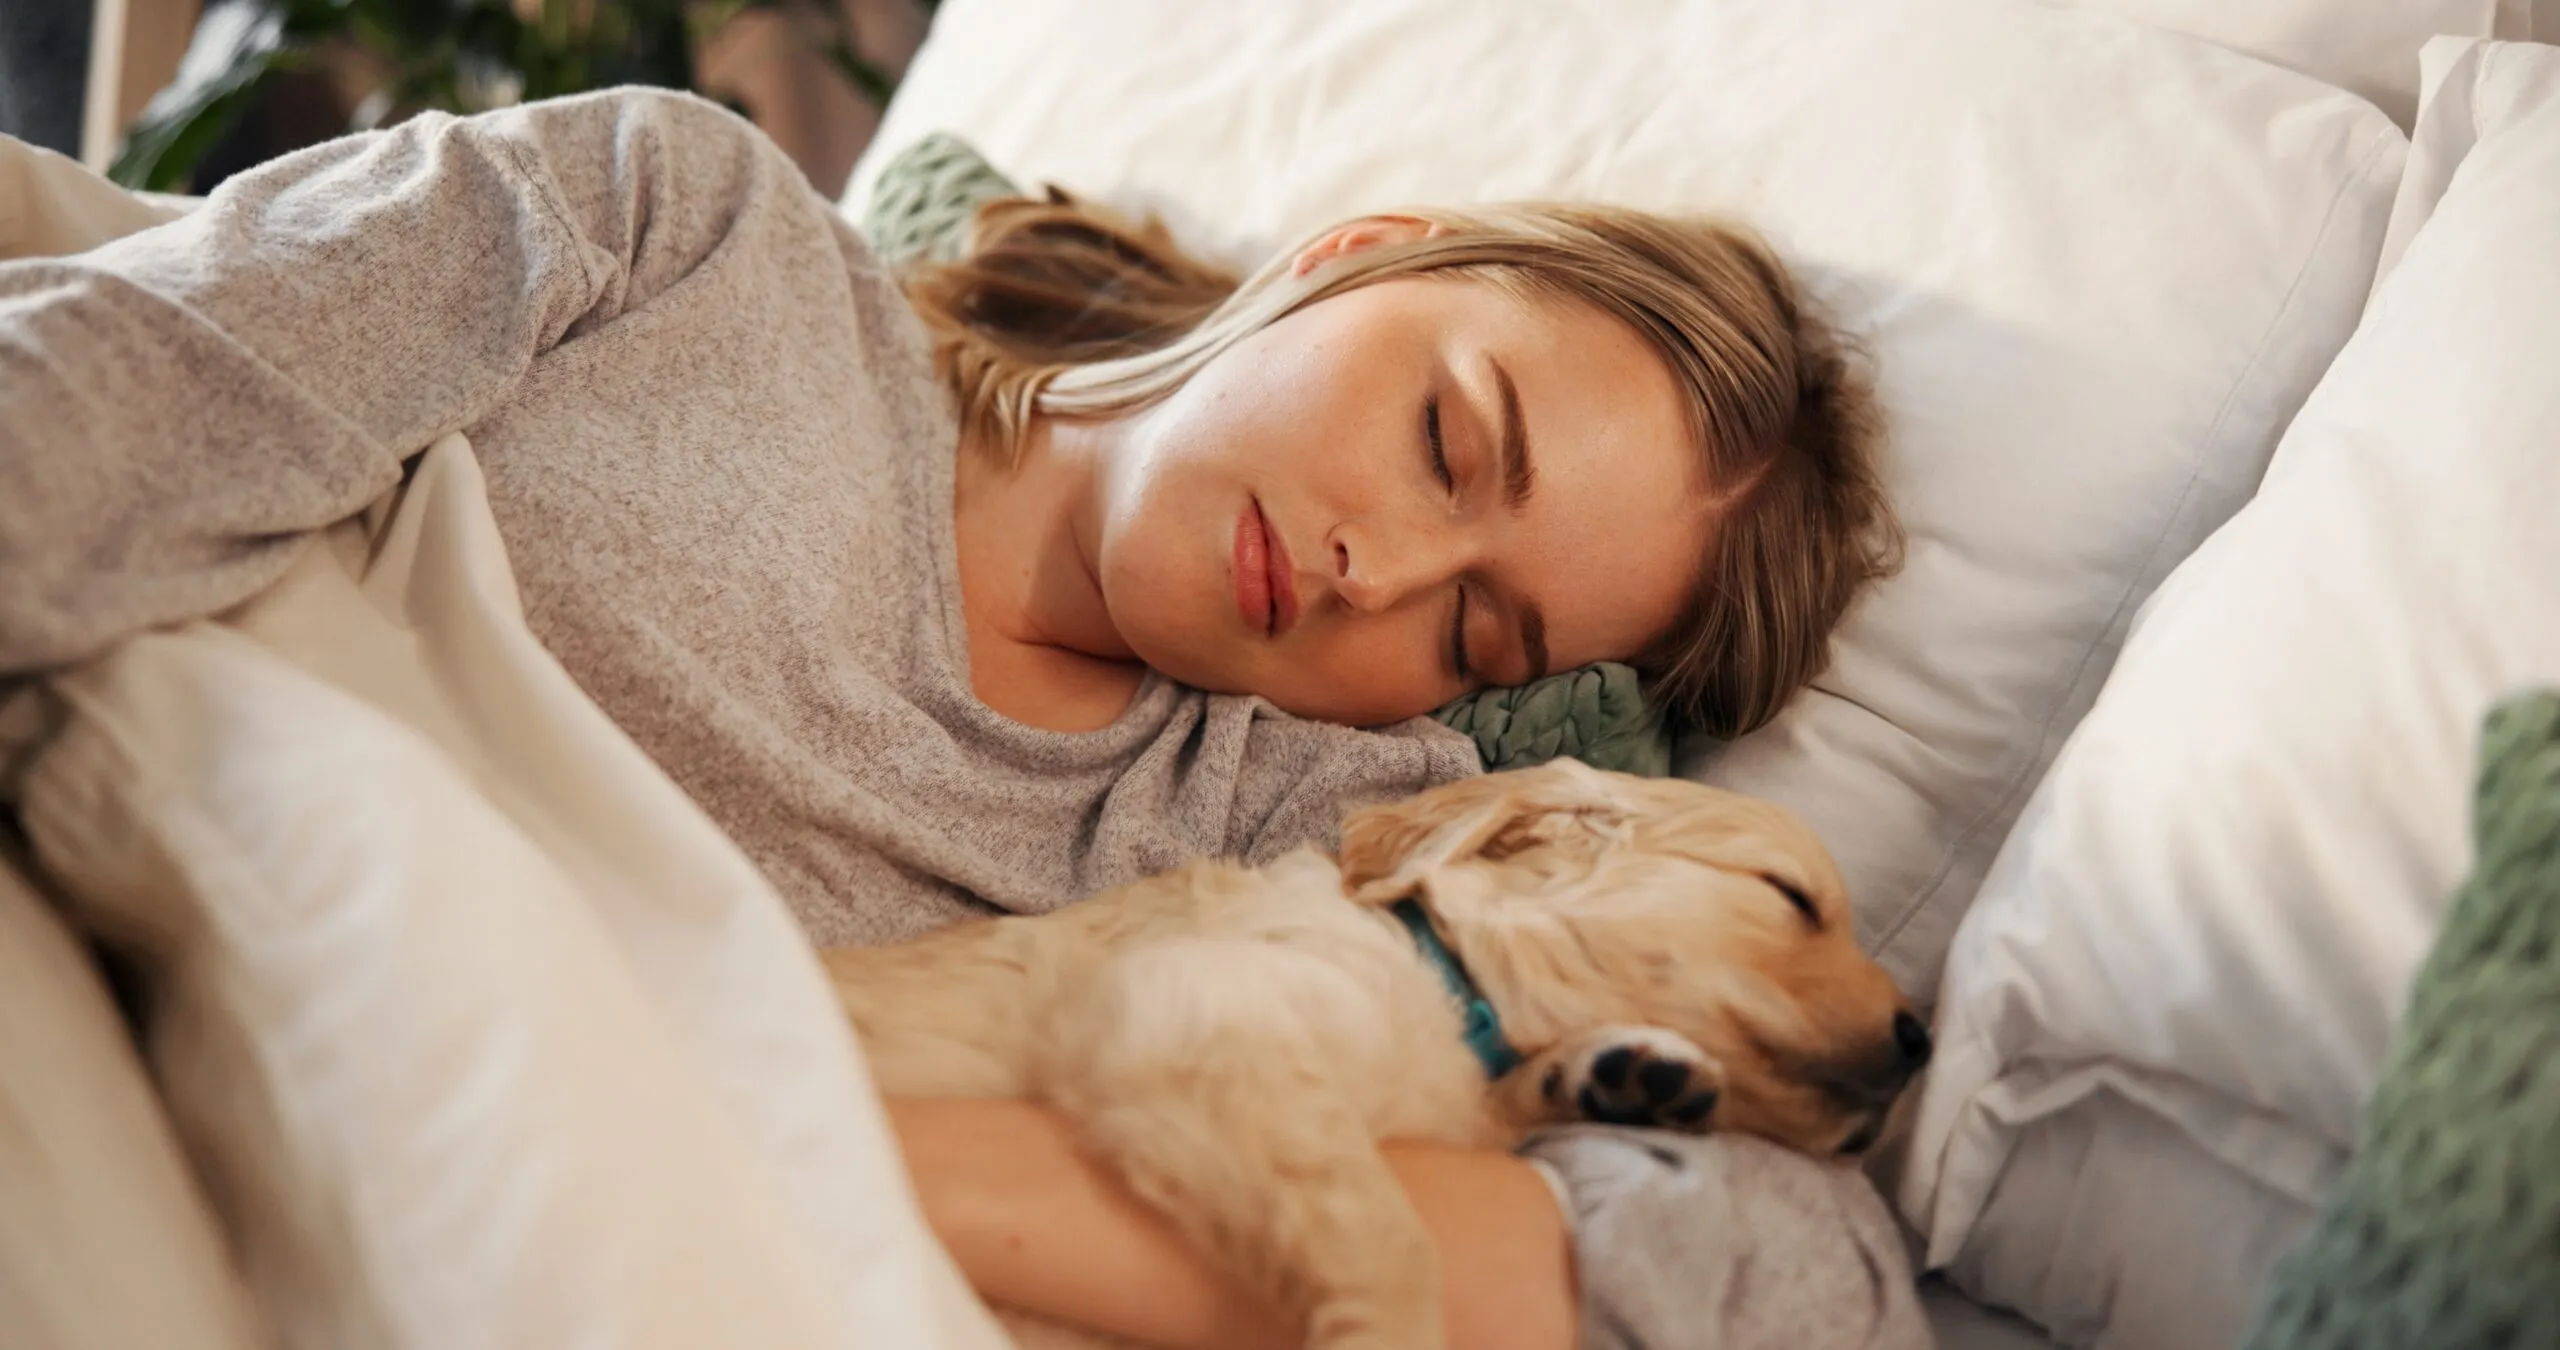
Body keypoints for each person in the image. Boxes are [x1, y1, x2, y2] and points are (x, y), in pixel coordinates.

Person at [0, 89, 1919, 1347]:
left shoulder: (1301, 851)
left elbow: (1789, 1287)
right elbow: (125, 392)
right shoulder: (700, 232)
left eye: (1480, 641)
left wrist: (756, 1109)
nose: (1374, 575)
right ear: (1357, 260)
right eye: (1442, 441)